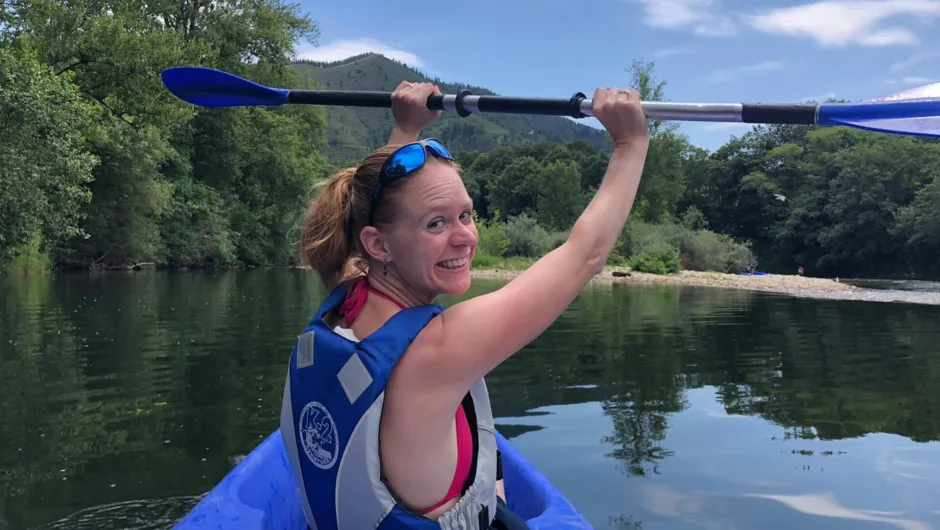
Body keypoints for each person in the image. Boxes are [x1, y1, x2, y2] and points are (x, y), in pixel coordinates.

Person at [280, 78, 650, 530]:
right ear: (378, 245)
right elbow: (584, 255)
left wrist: (405, 128)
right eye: (436, 224)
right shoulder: (439, 350)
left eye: (466, 214)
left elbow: (373, 205)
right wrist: (630, 144)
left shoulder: (348, 297)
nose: (466, 237)